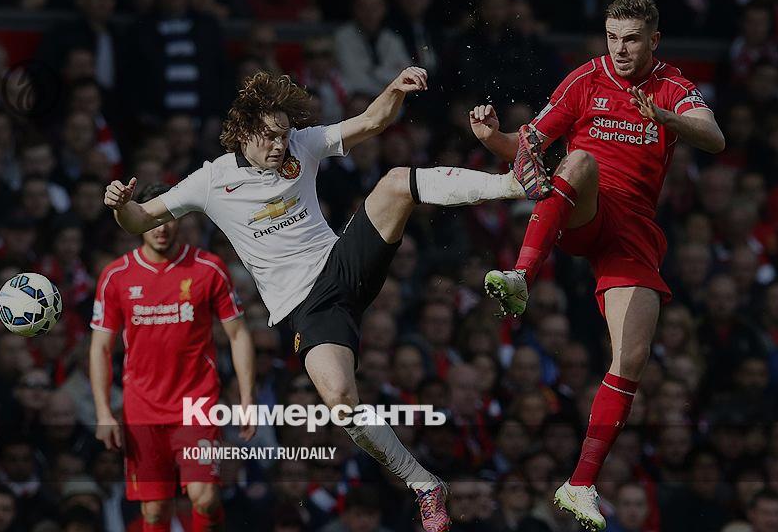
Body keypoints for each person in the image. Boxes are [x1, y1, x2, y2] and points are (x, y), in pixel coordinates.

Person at [103, 66, 528, 531]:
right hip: (307, 307)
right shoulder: (210, 181)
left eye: (284, 135)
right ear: (243, 132)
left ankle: (513, 184)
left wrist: (394, 88)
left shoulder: (301, 145)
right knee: (340, 400)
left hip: (343, 263)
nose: (280, 145)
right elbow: (139, 219)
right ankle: (425, 485)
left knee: (395, 182)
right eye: (270, 136)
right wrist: (121, 204)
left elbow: (372, 121)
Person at [468, 0, 724, 529]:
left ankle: (581, 483)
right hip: (585, 207)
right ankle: (520, 275)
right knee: (579, 159)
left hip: (634, 232)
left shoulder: (672, 86)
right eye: (612, 37)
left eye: (631, 39)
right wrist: (494, 138)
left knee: (631, 359)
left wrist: (667, 117)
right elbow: (527, 147)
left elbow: (715, 137)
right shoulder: (586, 78)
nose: (620, 49)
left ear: (654, 40)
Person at [89, 183, 256, 532]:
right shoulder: (116, 276)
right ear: (137, 221)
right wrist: (103, 412)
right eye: (152, 219)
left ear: (181, 218)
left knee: (205, 497)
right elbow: (101, 347)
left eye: (168, 217)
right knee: (154, 511)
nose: (161, 228)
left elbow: (238, 334)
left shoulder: (208, 268)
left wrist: (246, 398)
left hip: (197, 403)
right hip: (142, 408)